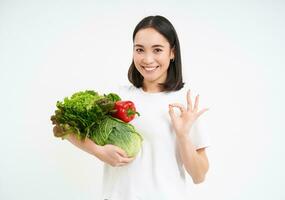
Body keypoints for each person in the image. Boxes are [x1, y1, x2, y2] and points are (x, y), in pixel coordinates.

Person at [56, 15, 210, 200]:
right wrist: (99, 151)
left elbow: (199, 176)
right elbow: (63, 127)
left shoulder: (185, 103)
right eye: (140, 49)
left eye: (157, 50)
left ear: (172, 52)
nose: (147, 59)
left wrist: (183, 136)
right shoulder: (116, 97)